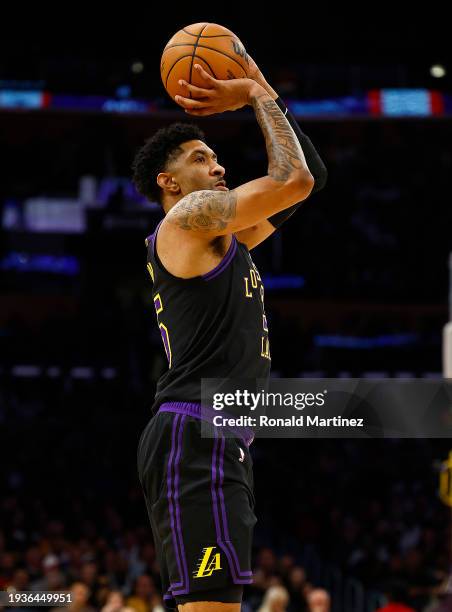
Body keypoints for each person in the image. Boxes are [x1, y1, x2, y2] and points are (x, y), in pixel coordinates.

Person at [133, 56, 327, 612]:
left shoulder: (226, 241)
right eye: (201, 158)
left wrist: (262, 87)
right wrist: (251, 95)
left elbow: (306, 181)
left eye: (216, 156)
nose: (217, 166)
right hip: (195, 432)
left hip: (221, 436)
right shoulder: (187, 219)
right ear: (169, 182)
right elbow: (294, 177)